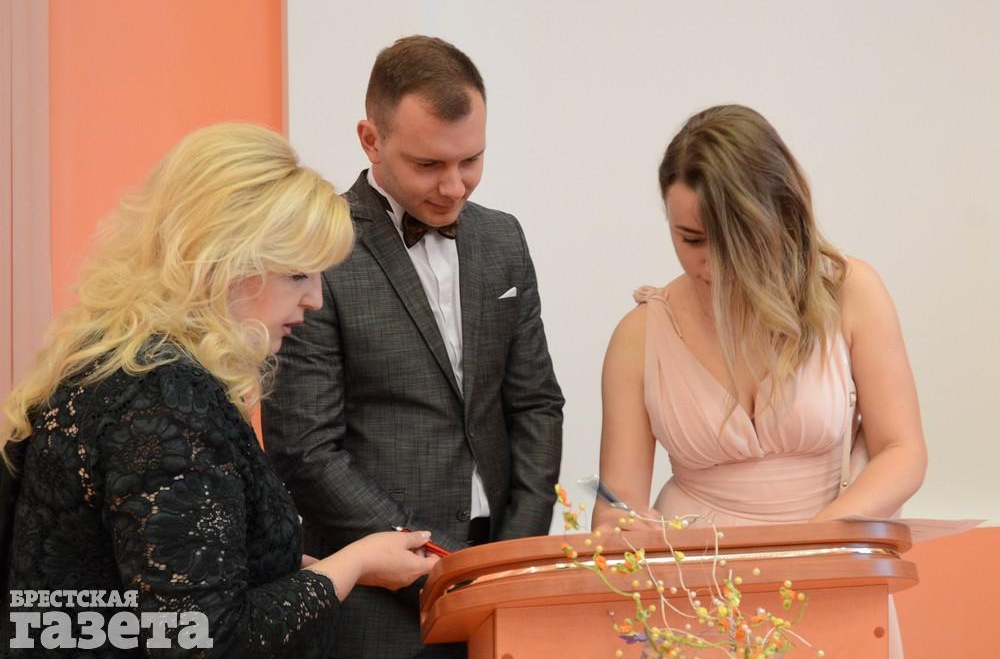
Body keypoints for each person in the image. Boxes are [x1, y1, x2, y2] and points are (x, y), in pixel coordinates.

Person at [0, 123, 439, 657]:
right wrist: (355, 562)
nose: (316, 300)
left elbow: (190, 570)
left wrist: (346, 566)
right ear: (226, 265)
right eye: (298, 275)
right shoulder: (164, 401)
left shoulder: (114, 364)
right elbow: (206, 637)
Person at [261, 35, 564, 659]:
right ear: (370, 140)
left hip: (500, 575)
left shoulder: (504, 239)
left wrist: (512, 557)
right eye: (429, 165)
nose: (454, 187)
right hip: (375, 597)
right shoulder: (320, 248)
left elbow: (536, 404)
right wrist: (433, 566)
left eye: (471, 160)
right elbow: (305, 448)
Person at [594, 105, 926, 658]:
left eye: (734, 240)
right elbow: (615, 509)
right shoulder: (639, 335)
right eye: (691, 240)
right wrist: (621, 530)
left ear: (779, 215)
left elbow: (903, 450)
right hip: (693, 601)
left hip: (832, 575)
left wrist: (812, 544)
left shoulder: (851, 292)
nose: (710, 265)